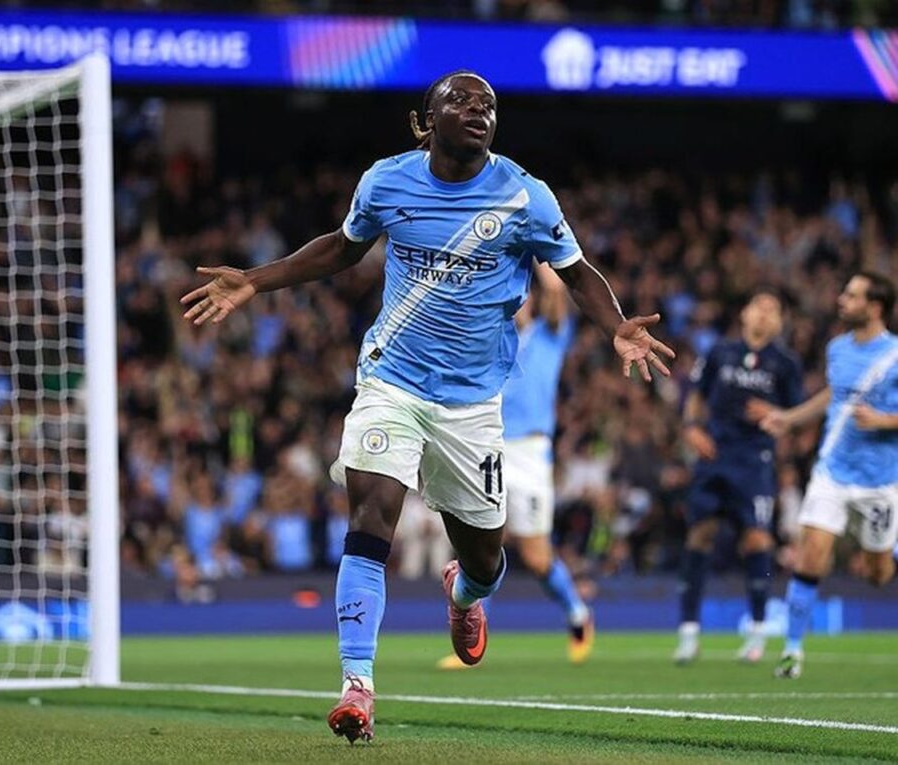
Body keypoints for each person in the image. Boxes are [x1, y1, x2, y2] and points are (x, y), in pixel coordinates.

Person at [181, 70, 674, 743]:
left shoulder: (525, 195)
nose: (479, 110)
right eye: (461, 101)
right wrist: (256, 281)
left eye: (489, 104)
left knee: (487, 563)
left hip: (473, 406)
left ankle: (463, 593)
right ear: (426, 119)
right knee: (370, 519)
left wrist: (616, 325)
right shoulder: (386, 181)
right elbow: (341, 247)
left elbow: (578, 272)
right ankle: (357, 685)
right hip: (392, 382)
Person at [438, 263, 593, 671]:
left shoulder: (548, 335)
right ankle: (472, 633)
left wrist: (540, 254)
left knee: (537, 558)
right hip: (491, 446)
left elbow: (556, 294)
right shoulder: (491, 345)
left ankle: (578, 615)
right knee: (482, 545)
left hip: (531, 454)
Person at [758, 272, 898, 679]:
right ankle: (792, 650)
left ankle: (888, 551)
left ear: (874, 307)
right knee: (811, 554)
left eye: (852, 296)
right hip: (832, 472)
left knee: (877, 575)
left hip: (879, 481)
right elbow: (833, 394)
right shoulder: (837, 348)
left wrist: (883, 421)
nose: (842, 300)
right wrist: (789, 418)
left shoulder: (894, 354)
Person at [674, 288, 803, 664]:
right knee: (700, 534)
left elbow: (797, 416)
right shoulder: (720, 352)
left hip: (755, 460)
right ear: (744, 314)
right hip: (714, 454)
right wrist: (691, 428)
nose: (764, 314)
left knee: (757, 538)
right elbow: (696, 394)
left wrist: (778, 417)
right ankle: (688, 632)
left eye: (772, 310)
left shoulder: (785, 363)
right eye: (758, 307)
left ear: (779, 322)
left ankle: (758, 631)